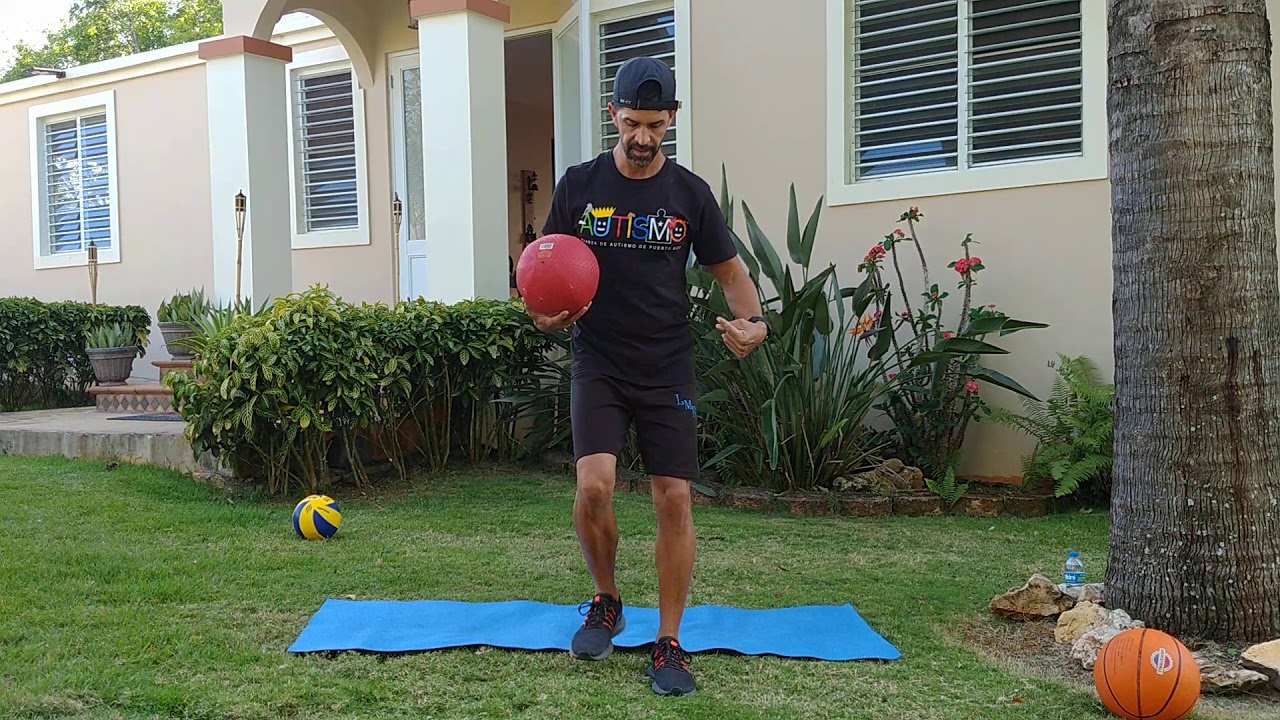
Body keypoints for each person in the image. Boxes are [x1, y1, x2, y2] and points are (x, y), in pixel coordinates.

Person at [529, 56, 770, 697]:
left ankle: (669, 640)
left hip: (667, 363)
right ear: (613, 114)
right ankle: (606, 600)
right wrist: (544, 315)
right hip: (599, 361)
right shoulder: (579, 187)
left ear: (671, 121)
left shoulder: (689, 194)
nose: (642, 138)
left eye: (655, 126)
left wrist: (755, 322)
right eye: (633, 123)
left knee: (675, 497)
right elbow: (544, 266)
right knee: (596, 486)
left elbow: (729, 272)